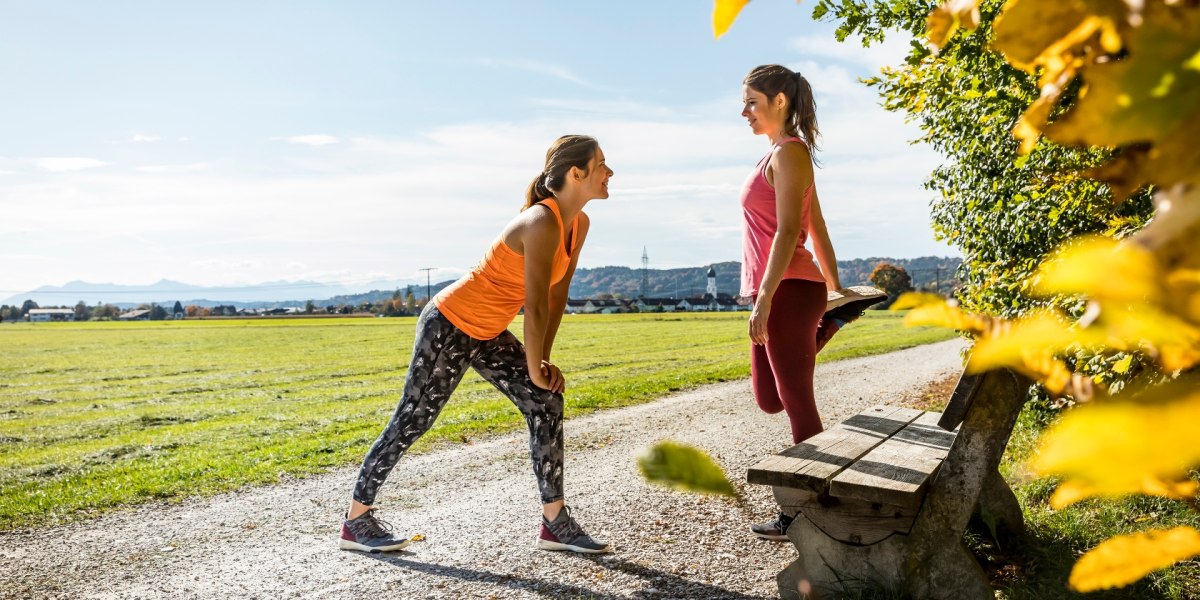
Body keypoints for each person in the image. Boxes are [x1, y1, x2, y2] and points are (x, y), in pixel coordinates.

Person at [339, 135, 614, 554]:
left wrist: (542, 362)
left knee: (546, 401)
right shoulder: (541, 221)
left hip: (486, 332)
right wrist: (536, 363)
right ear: (576, 174)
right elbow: (534, 305)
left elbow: (557, 298)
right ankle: (356, 521)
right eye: (601, 164)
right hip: (449, 323)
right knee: (414, 418)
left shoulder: (578, 224)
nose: (609, 172)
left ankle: (554, 521)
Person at [738, 64, 842, 541]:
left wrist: (766, 298)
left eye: (753, 102)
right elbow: (817, 225)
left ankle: (810, 510)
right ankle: (831, 325)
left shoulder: (792, 153)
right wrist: (838, 293)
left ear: (780, 102)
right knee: (769, 399)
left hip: (789, 292)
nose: (745, 112)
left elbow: (793, 232)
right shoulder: (775, 157)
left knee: (797, 401)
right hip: (778, 291)